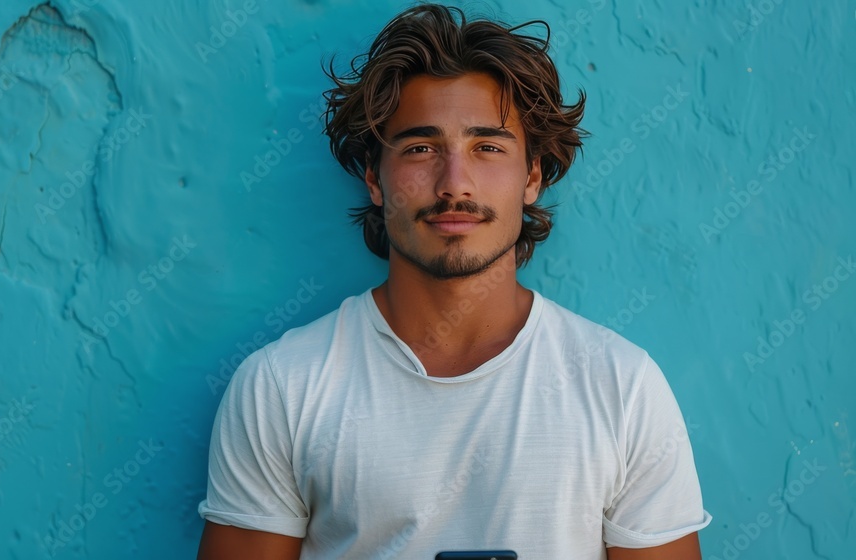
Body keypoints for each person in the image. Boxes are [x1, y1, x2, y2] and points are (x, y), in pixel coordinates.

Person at [197, 4, 711, 558]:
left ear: (532, 175)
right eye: (421, 148)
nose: (454, 183)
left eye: (487, 147)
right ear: (374, 176)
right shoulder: (283, 387)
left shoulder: (623, 387)